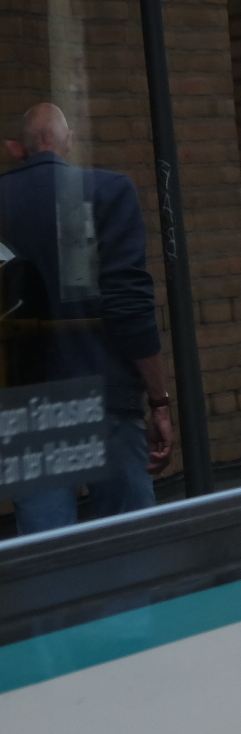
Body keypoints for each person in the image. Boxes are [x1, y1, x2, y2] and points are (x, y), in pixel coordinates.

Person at [0, 103, 172, 533]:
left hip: (26, 407)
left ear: (16, 148)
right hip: (104, 392)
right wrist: (159, 401)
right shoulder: (108, 192)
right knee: (129, 547)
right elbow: (130, 306)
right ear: (70, 141)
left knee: (49, 554)